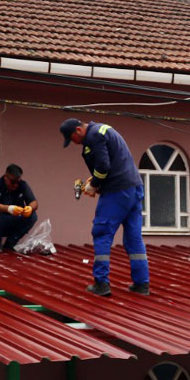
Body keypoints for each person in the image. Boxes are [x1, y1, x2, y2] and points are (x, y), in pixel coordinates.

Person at [59, 117, 150, 296]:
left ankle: (102, 283)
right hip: (134, 188)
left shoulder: (93, 136)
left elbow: (103, 166)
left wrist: (95, 184)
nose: (74, 143)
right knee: (133, 238)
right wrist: (96, 183)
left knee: (101, 232)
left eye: (73, 139)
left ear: (78, 130)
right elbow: (112, 163)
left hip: (118, 191)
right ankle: (142, 284)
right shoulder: (103, 130)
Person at [0, 163, 38, 252]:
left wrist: (30, 208)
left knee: (32, 216)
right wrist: (9, 209)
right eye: (12, 182)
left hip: (11, 221)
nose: (15, 185)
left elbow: (34, 202)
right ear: (6, 177)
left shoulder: (23, 185)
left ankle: (10, 243)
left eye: (17, 182)